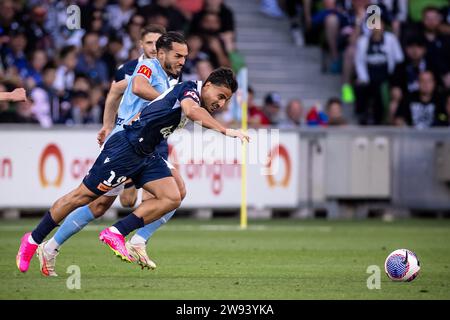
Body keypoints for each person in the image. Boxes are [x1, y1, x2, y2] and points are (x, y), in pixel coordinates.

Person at [16, 67, 249, 271]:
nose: (221, 103)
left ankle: (117, 233)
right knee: (83, 197)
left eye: (226, 100)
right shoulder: (189, 89)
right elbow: (190, 111)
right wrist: (225, 130)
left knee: (172, 196)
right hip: (125, 148)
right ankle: (33, 240)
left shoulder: (190, 92)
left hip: (146, 154)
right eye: (220, 96)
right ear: (207, 85)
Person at [33, 30, 189, 276]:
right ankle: (49, 245)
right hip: (128, 140)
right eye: (148, 42)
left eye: (156, 43)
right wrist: (107, 125)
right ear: (145, 46)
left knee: (175, 191)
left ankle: (138, 240)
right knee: (99, 205)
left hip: (152, 143)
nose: (151, 47)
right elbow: (116, 92)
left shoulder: (173, 74)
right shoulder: (136, 68)